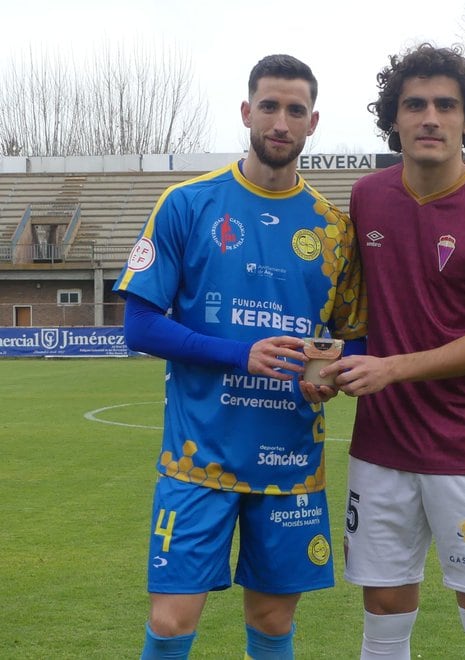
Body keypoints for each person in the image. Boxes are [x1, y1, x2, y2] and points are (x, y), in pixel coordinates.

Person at [113, 54, 367, 660]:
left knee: (274, 623)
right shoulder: (187, 204)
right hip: (198, 461)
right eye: (271, 107)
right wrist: (239, 354)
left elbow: (354, 337)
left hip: (291, 464)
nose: (282, 121)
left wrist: (330, 374)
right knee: (172, 622)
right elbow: (139, 325)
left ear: (313, 123)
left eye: (296, 110)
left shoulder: (335, 231)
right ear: (247, 112)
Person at [320, 43, 465, 659]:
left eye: (447, 105)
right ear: (394, 119)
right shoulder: (368, 198)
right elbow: (355, 306)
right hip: (382, 449)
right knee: (383, 612)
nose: (431, 118)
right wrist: (331, 366)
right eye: (415, 105)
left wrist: (390, 368)